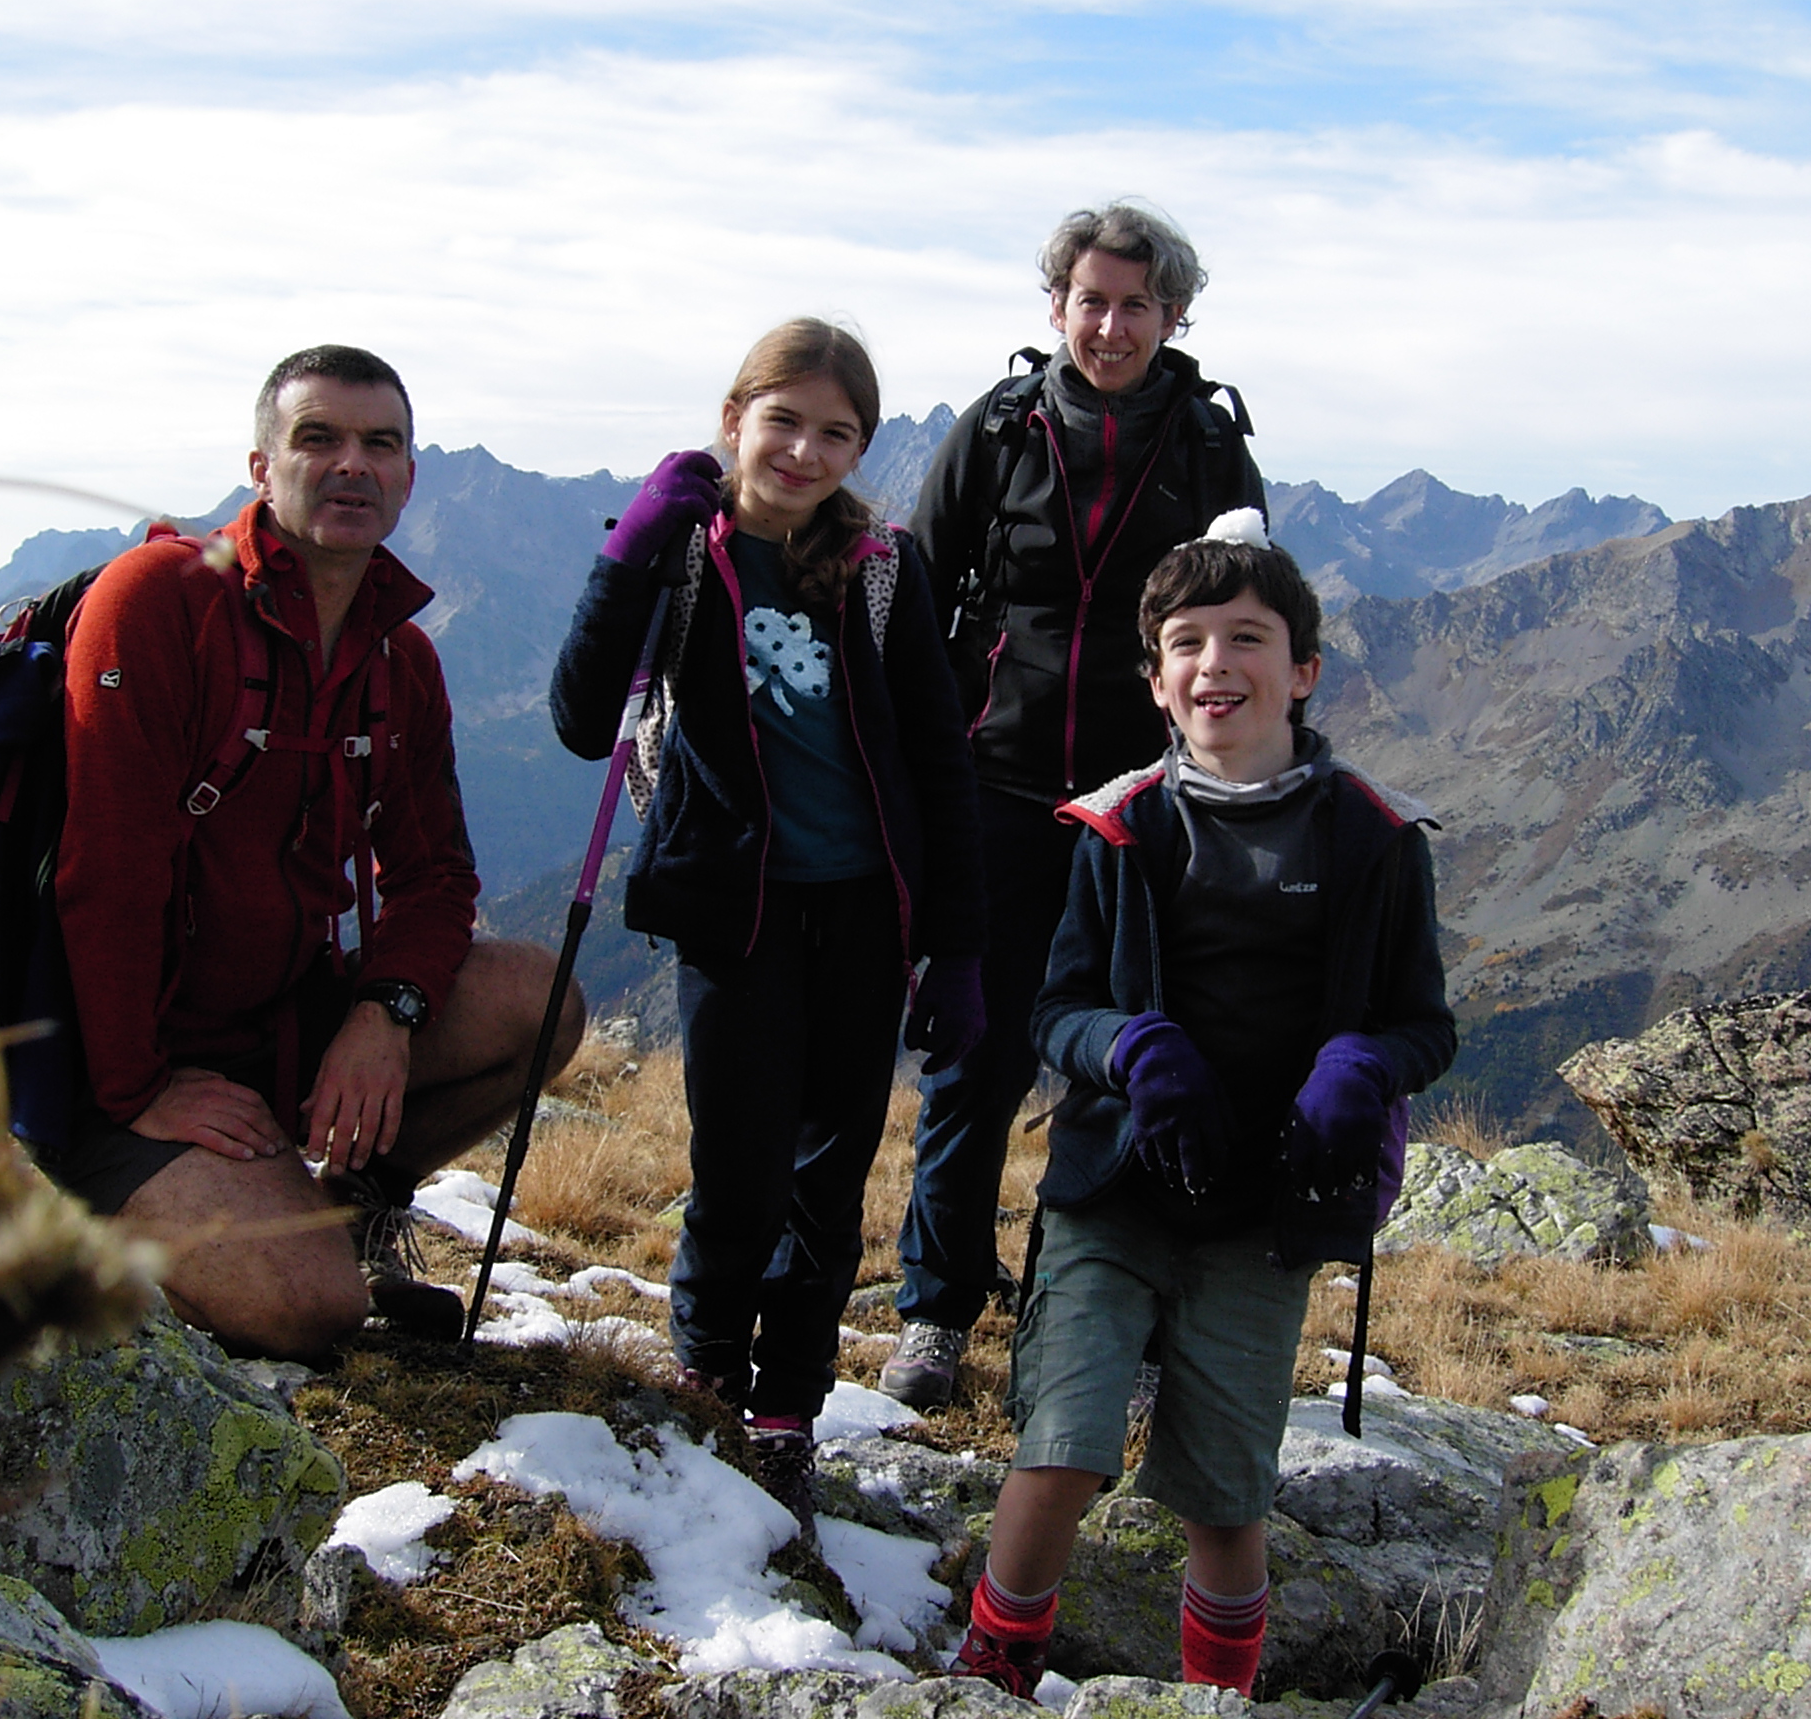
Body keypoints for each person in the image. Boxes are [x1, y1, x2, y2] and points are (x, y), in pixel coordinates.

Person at [949, 513, 1454, 1697]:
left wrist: (1364, 1066)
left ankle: (1212, 1697)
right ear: (1156, 682)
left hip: (1265, 1211)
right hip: (1111, 1193)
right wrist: (1131, 1048)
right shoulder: (1122, 829)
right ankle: (989, 1674)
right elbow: (1055, 1012)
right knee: (1061, 1450)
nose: (1215, 662)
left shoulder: (1375, 840)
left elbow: (1422, 1023)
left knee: (1228, 1494)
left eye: (1248, 638)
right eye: (1186, 642)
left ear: (1304, 670)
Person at [48, 344, 582, 1363]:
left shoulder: (399, 658)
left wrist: (387, 1012)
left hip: (274, 1037)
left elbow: (434, 878)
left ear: (409, 477)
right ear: (261, 467)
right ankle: (99, 1203)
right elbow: (102, 876)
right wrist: (134, 1088)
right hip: (107, 1063)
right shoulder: (158, 601)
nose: (352, 466)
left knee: (541, 996)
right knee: (311, 1315)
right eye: (317, 439)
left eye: (380, 445)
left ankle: (335, 1211)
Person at [550, 319, 986, 1527]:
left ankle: (787, 1408)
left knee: (829, 1172)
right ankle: (705, 1374)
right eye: (782, 418)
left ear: (860, 448)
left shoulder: (883, 568)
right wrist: (631, 551)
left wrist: (956, 947)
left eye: (835, 431)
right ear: (734, 414)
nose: (803, 448)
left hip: (863, 911)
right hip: (733, 907)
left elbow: (937, 764)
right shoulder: (686, 557)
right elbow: (584, 719)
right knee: (734, 1162)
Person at [885, 202, 1268, 1410]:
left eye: (1137, 304)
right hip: (994, 789)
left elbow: (1248, 627)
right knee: (978, 1059)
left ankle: (1095, 1324)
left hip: (1140, 808)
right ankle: (936, 1312)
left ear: (1173, 316)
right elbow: (909, 597)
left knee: (1130, 1065)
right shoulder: (996, 434)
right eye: (1091, 301)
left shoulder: (1210, 451)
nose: (1110, 325)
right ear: (1055, 306)